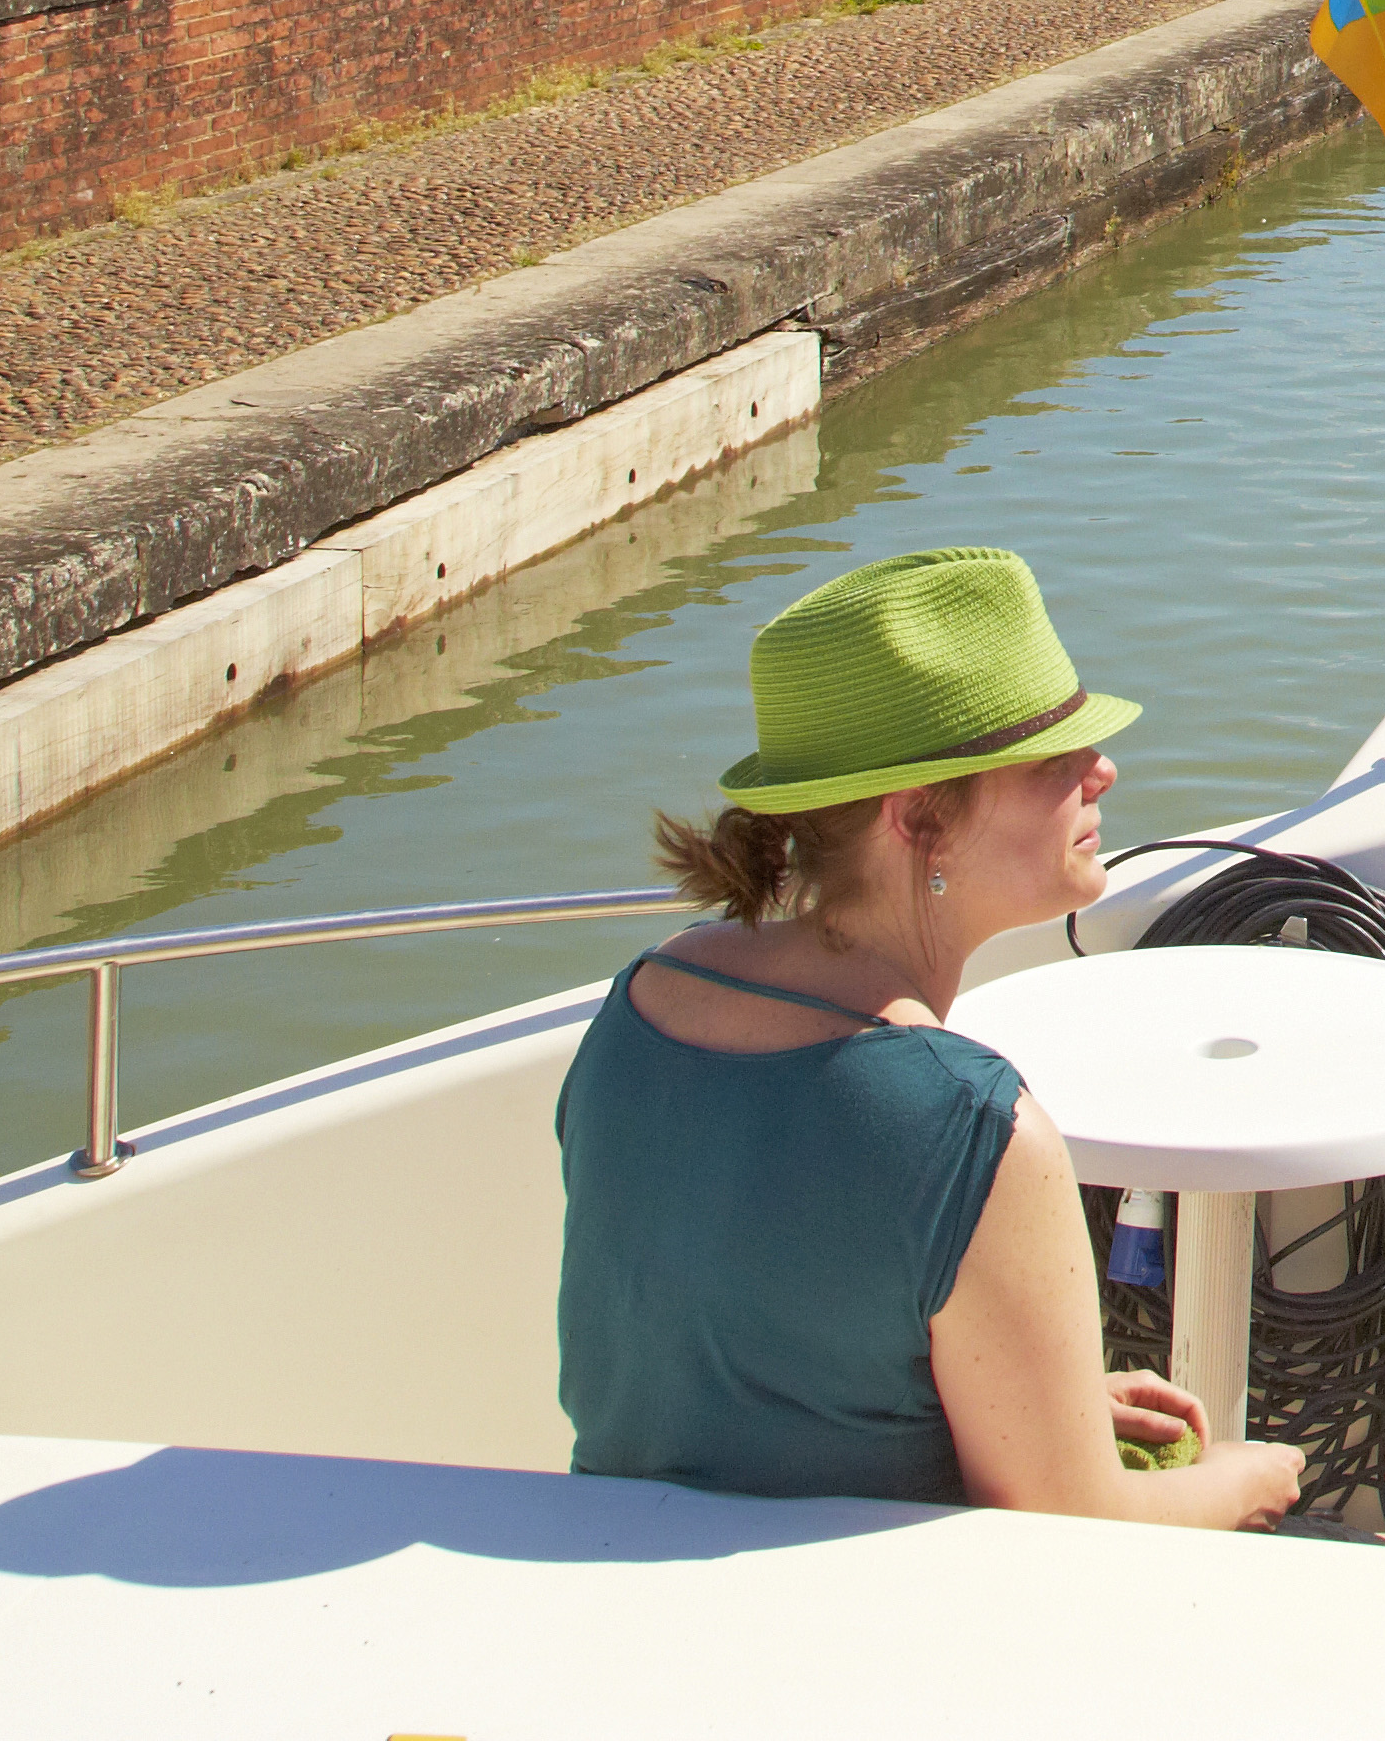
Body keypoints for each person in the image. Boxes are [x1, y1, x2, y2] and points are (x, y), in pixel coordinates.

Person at [558, 543, 1307, 1529]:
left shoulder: (645, 1002)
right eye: (1053, 760)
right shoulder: (973, 1128)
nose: (1103, 771)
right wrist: (1257, 1470)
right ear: (918, 821)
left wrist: (1046, 1407)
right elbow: (1072, 1524)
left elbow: (757, 1377)